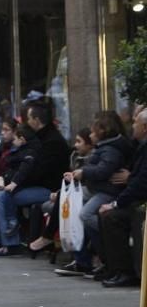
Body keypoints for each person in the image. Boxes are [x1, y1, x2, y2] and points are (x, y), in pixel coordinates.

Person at [53, 112, 132, 276]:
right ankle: (82, 258)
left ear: (102, 132)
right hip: (98, 188)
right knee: (69, 203)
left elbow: (103, 171)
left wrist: (84, 172)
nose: (90, 134)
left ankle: (102, 246)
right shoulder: (106, 147)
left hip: (107, 190)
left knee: (86, 214)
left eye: (93, 131)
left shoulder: (110, 149)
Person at [0, 101, 69, 253]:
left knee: (6, 196)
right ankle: (6, 240)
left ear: (37, 120)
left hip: (49, 188)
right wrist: (9, 179)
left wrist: (12, 182)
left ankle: (11, 242)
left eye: (29, 118)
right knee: (1, 194)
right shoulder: (34, 137)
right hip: (31, 183)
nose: (26, 121)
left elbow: (36, 170)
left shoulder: (51, 141)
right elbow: (20, 163)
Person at [96, 109, 147, 288]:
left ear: (145, 127)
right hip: (135, 197)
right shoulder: (137, 144)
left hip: (140, 201)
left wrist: (116, 203)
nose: (132, 126)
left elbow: (140, 183)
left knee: (112, 217)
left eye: (135, 123)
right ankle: (113, 268)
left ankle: (124, 271)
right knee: (105, 213)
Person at [0, 124, 41, 256]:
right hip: (13, 183)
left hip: (28, 186)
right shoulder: (13, 150)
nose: (13, 141)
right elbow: (8, 170)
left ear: (22, 140)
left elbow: (23, 170)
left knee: (0, 196)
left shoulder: (30, 152)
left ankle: (9, 243)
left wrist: (11, 183)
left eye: (15, 138)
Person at [28, 128, 94, 253]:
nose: (75, 145)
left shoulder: (93, 158)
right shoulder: (75, 157)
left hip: (88, 193)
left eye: (79, 141)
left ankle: (48, 236)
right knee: (48, 205)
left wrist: (61, 193)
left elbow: (88, 182)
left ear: (89, 144)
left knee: (70, 207)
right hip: (76, 192)